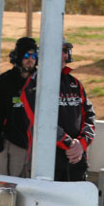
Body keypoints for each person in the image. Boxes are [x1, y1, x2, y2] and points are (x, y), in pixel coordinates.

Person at [20, 40, 95, 182]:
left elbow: (89, 116)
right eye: (58, 50)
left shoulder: (75, 83)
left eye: (65, 51)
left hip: (76, 160)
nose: (63, 55)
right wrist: (69, 144)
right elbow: (41, 121)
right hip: (45, 163)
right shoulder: (33, 84)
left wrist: (81, 144)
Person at [0, 37, 38, 177]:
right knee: (8, 186)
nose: (30, 59)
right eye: (26, 55)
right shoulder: (5, 80)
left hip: (35, 146)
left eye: (33, 56)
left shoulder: (40, 81)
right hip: (11, 145)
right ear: (19, 56)